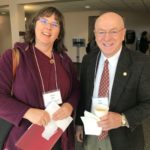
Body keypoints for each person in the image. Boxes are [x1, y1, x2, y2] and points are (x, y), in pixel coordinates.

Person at [0, 7, 79, 150]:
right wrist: (27, 112)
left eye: (55, 24)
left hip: (60, 137)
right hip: (24, 139)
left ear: (59, 33)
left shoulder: (64, 60)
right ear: (34, 25)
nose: (48, 27)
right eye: (43, 21)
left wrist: (69, 105)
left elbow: (76, 89)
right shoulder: (13, 57)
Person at [75, 12, 150, 150]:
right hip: (91, 133)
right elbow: (83, 95)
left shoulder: (142, 63)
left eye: (113, 31)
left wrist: (123, 119)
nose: (107, 38)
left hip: (123, 138)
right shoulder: (88, 60)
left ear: (123, 34)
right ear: (95, 35)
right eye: (101, 32)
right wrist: (79, 123)